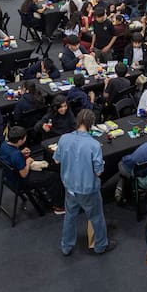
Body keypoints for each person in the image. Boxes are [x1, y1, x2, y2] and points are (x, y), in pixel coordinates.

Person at [53, 108, 115, 255]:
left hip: (69, 187)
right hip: (88, 189)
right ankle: (100, 245)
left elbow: (56, 159)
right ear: (91, 124)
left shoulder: (64, 139)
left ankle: (66, 246)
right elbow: (99, 171)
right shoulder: (94, 145)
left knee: (70, 215)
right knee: (96, 217)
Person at [0, 126, 64, 214]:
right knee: (54, 176)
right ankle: (58, 206)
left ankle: (48, 194)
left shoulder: (4, 145)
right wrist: (28, 162)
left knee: (47, 169)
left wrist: (21, 153)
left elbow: (9, 157)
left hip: (8, 176)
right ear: (20, 141)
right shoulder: (16, 155)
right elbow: (24, 174)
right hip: (19, 180)